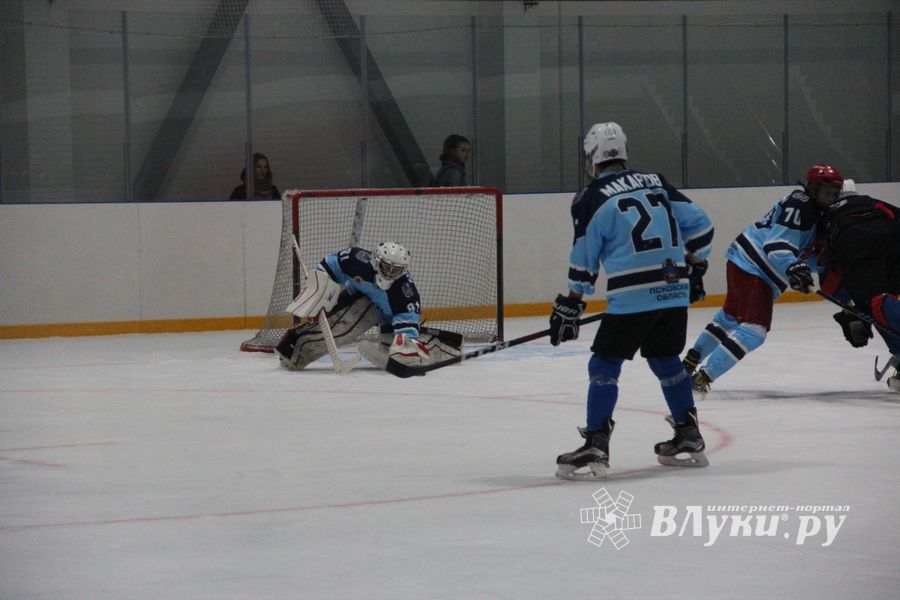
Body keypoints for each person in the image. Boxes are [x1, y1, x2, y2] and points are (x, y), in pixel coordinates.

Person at [549, 121, 714, 481]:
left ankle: (596, 442)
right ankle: (689, 433)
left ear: (591, 157)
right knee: (665, 360)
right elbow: (702, 227)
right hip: (674, 288)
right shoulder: (657, 181)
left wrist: (572, 301)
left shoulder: (590, 196)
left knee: (604, 364)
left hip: (633, 293)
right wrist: (696, 266)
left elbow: (585, 255)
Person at [683, 164, 844, 393]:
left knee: (729, 318)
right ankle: (702, 378)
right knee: (755, 330)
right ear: (813, 189)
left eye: (835, 194)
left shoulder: (814, 212)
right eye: (826, 192)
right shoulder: (801, 205)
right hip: (755, 267)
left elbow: (801, 251)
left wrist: (814, 265)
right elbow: (776, 245)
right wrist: (794, 267)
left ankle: (689, 363)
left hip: (745, 261)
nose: (831, 198)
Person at [275, 242, 462, 371]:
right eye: (386, 267)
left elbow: (407, 325)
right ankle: (296, 348)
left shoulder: (406, 293)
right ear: (375, 261)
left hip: (389, 320)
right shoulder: (357, 260)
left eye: (396, 270)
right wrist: (320, 283)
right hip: (360, 300)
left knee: (397, 355)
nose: (389, 273)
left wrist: (405, 345)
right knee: (343, 325)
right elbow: (331, 265)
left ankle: (445, 345)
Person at [803, 179, 900, 391]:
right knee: (883, 303)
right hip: (893, 244)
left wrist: (850, 312)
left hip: (861, 248)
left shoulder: (826, 216)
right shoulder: (873, 202)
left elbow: (830, 275)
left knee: (875, 303)